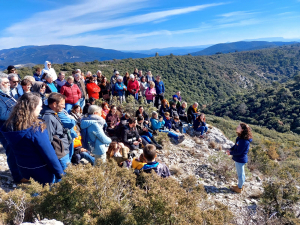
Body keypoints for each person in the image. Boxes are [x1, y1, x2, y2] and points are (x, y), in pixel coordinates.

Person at [1, 93, 64, 185]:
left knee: (31, 192)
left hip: (23, 168)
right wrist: (60, 174)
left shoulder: (9, 125)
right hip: (40, 171)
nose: (41, 108)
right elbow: (49, 154)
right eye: (40, 106)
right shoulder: (36, 129)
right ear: (32, 107)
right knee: (42, 194)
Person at [0, 73, 24, 183]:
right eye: (5, 83)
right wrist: (17, 112)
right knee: (11, 152)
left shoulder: (7, 94)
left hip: (14, 128)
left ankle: (21, 172)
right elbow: (2, 115)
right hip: (5, 130)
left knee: (18, 151)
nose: (9, 84)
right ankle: (17, 177)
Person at [42, 93, 71, 171]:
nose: (64, 106)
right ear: (54, 104)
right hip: (60, 153)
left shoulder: (53, 114)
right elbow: (48, 138)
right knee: (66, 176)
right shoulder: (48, 117)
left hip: (63, 151)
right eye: (62, 104)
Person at [226, 123, 253, 193]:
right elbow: (236, 146)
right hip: (240, 159)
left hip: (240, 159)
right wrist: (231, 149)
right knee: (242, 173)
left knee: (240, 174)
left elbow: (239, 152)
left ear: (242, 130)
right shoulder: (240, 138)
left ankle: (239, 188)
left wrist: (230, 153)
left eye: (239, 127)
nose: (237, 127)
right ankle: (240, 185)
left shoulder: (244, 141)